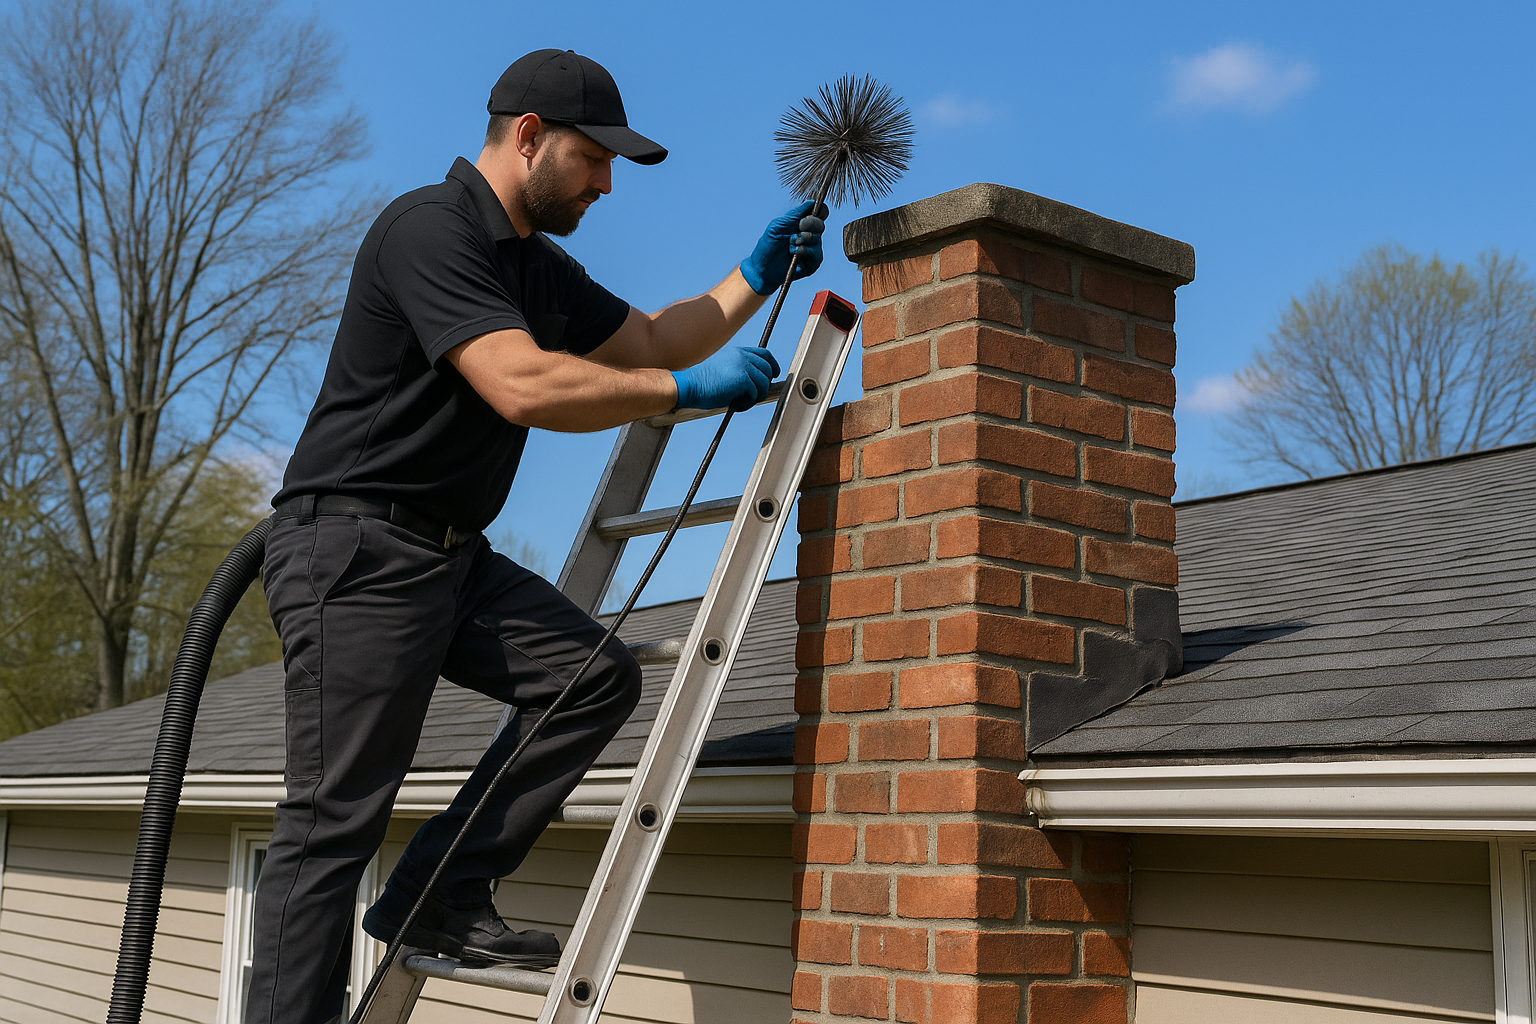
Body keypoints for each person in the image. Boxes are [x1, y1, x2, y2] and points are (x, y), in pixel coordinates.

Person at [246, 48, 825, 1024]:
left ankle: (440, 897)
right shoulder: (429, 232)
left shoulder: (536, 269)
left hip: (445, 557)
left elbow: (654, 340)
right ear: (528, 136)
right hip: (354, 549)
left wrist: (750, 277)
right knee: (334, 821)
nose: (606, 183)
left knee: (590, 676)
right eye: (596, 160)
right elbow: (521, 382)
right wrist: (681, 397)